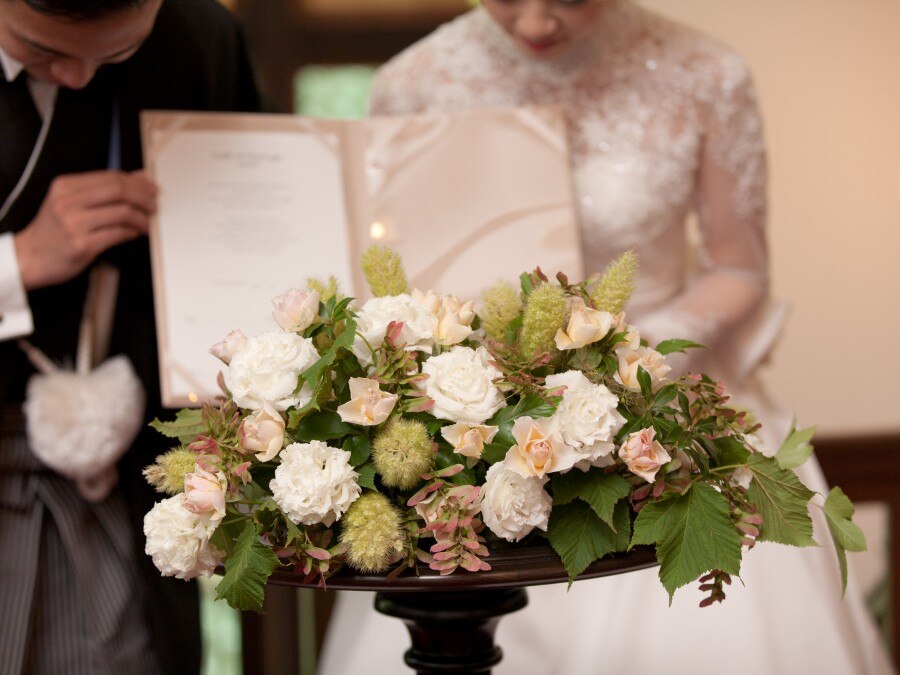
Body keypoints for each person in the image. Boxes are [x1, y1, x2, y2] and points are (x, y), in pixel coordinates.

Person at [319, 1, 893, 673]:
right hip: (480, 434)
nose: (537, 24)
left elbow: (740, 268)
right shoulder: (410, 82)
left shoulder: (707, 73)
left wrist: (631, 358)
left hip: (664, 407)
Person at [0, 0, 259, 672]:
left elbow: (251, 232)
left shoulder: (199, 39)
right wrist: (19, 260)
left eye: (113, 53)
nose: (79, 77)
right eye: (42, 49)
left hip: (124, 461)